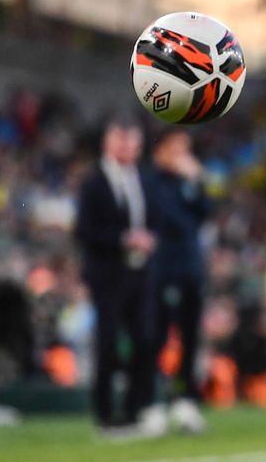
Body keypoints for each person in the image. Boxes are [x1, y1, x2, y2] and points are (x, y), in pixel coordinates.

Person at [73, 117, 163, 438]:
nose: (126, 147)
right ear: (107, 144)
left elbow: (157, 220)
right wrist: (123, 239)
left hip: (140, 273)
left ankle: (134, 410)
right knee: (108, 344)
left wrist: (149, 239)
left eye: (131, 141)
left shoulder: (146, 179)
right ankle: (105, 415)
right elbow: (84, 231)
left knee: (144, 341)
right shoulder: (94, 182)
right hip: (108, 275)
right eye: (120, 140)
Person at [146, 129, 211, 434]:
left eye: (185, 150)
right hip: (162, 270)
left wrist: (198, 182)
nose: (182, 157)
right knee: (157, 337)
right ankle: (154, 402)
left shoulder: (190, 183)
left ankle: (186, 401)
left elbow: (206, 214)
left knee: (190, 338)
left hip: (190, 269)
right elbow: (171, 219)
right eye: (176, 150)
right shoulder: (152, 181)